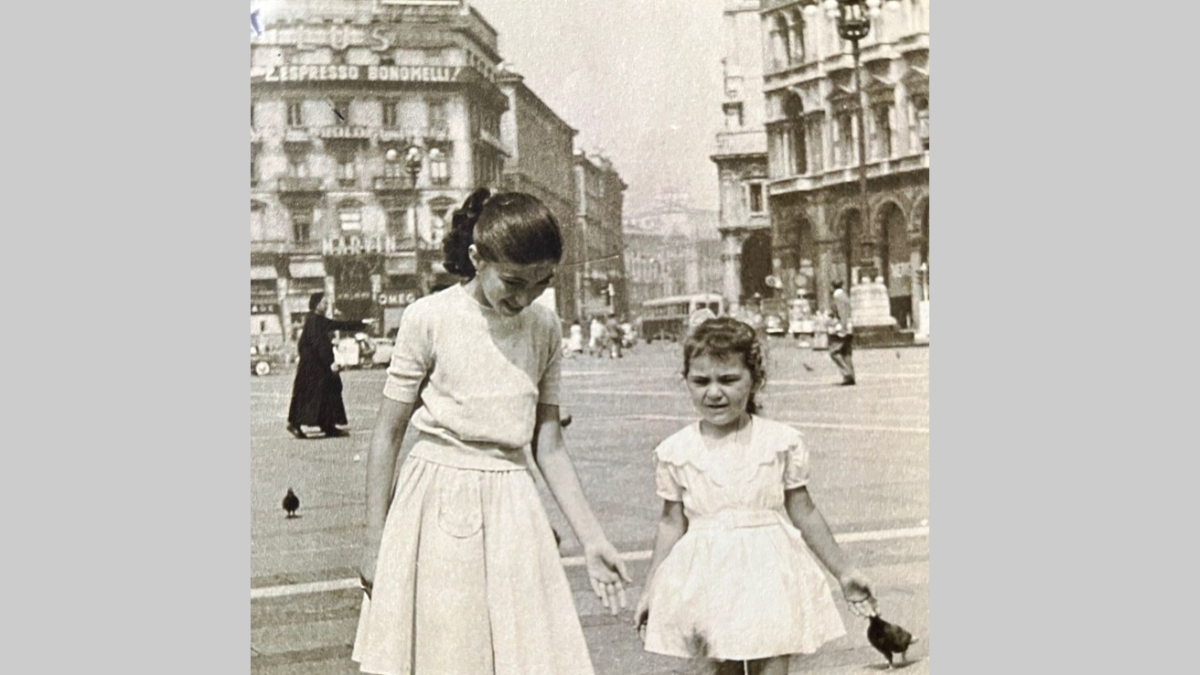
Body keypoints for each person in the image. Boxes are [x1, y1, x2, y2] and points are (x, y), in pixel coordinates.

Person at [353, 189, 631, 675]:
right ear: (476, 259)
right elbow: (387, 435)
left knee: (521, 654)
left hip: (512, 503)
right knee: (447, 653)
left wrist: (592, 539)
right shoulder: (429, 318)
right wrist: (374, 540)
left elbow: (549, 444)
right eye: (513, 282)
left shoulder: (544, 327)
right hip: (435, 496)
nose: (524, 298)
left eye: (542, 283)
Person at [635, 317, 877, 675]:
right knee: (722, 667)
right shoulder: (676, 450)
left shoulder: (779, 441)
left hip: (769, 569)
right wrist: (652, 586)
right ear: (686, 380)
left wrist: (844, 571)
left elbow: (804, 510)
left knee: (772, 662)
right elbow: (671, 522)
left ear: (755, 379)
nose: (713, 392)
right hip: (707, 575)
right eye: (700, 381)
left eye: (728, 379)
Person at [286, 293, 371, 439]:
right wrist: (329, 363)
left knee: (325, 392)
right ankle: (298, 423)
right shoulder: (314, 321)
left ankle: (326, 424)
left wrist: (362, 323)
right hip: (314, 368)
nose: (326, 305)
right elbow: (319, 344)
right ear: (317, 304)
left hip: (315, 366)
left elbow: (339, 324)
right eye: (324, 303)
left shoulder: (318, 320)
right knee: (315, 394)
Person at [829, 281, 856, 385]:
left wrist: (842, 327)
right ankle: (850, 377)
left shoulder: (838, 297)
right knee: (846, 353)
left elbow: (842, 313)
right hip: (849, 327)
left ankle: (847, 373)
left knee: (834, 352)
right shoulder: (845, 296)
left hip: (842, 327)